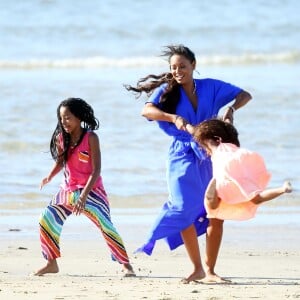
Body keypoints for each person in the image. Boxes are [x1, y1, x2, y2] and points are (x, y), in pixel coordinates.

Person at [125, 44, 252, 283]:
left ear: (194, 65)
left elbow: (245, 94)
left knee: (216, 212)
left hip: (212, 153)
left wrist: (230, 109)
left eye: (182, 66)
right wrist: (172, 117)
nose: (177, 71)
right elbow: (147, 110)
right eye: (173, 67)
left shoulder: (211, 87)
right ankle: (197, 268)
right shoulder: (167, 91)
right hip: (181, 154)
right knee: (183, 209)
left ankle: (210, 270)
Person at [34, 97, 135, 277]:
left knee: (106, 225)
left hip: (92, 190)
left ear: (79, 117)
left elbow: (96, 170)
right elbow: (60, 161)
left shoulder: (91, 138)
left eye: (68, 117)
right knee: (45, 218)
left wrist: (83, 197)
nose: (64, 121)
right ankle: (51, 263)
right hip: (68, 190)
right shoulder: (61, 138)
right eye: (61, 118)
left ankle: (126, 265)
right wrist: (49, 176)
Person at [187, 118, 292, 221]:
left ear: (217, 138)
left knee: (211, 205)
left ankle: (213, 189)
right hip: (235, 169)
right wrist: (230, 113)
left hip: (223, 173)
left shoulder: (216, 147)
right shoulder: (232, 146)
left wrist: (186, 125)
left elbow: (196, 133)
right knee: (256, 199)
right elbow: (228, 123)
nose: (206, 150)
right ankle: (282, 189)